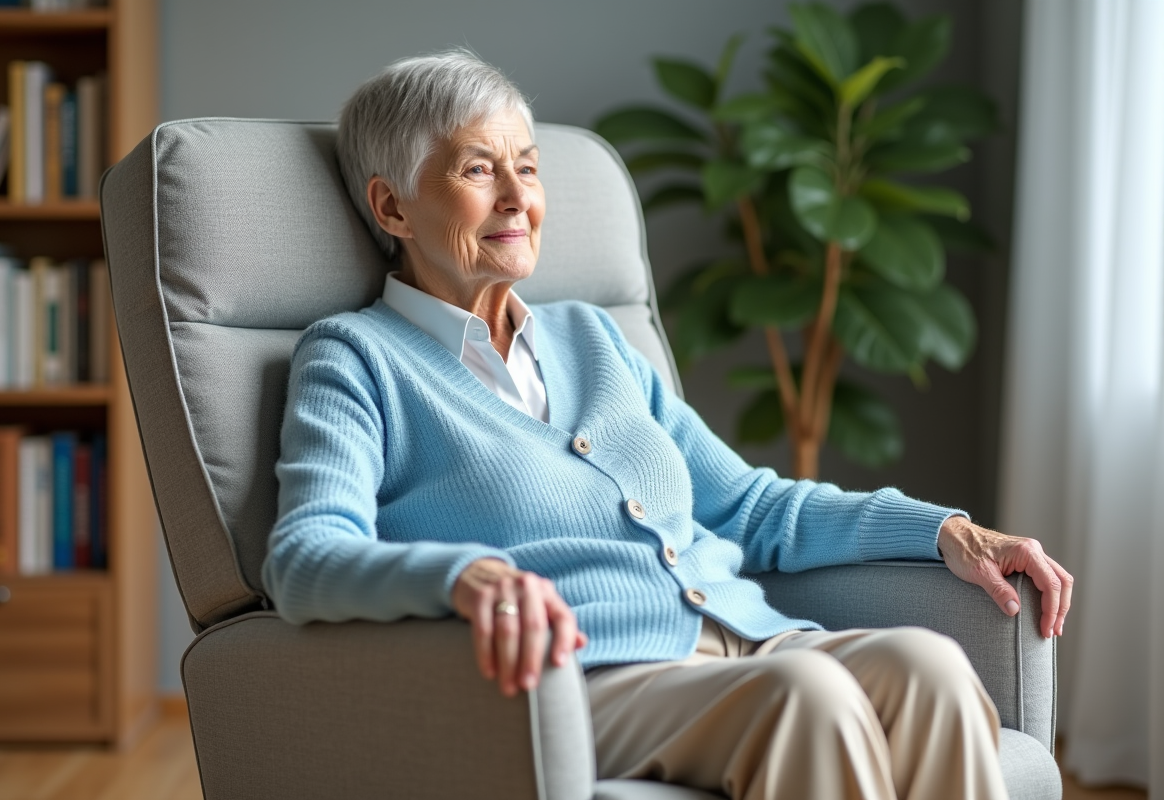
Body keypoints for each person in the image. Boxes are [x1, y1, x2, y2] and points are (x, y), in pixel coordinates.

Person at [262, 50, 1073, 800]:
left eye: (529, 167)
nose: (518, 197)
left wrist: (947, 533)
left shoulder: (590, 337)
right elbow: (304, 559)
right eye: (479, 168)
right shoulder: (356, 358)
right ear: (391, 206)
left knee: (928, 664)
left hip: (744, 639)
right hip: (586, 678)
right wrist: (461, 575)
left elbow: (753, 508)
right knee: (809, 697)